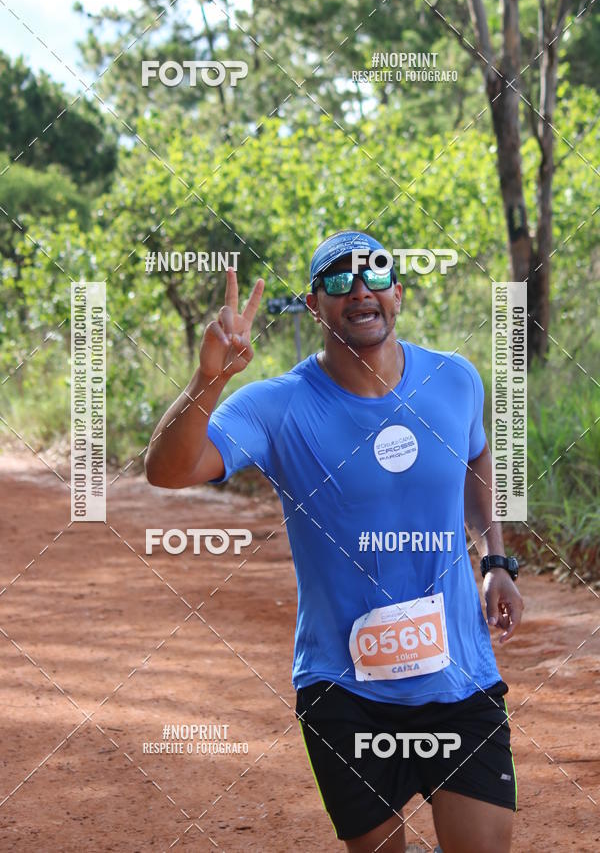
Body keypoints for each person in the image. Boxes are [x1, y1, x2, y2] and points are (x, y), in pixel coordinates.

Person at [145, 230, 524, 853]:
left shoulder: (456, 381)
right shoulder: (278, 406)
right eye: (338, 280)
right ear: (314, 304)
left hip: (460, 682)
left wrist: (497, 560)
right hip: (346, 692)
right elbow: (167, 471)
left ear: (397, 292)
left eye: (375, 276)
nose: (360, 290)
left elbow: (477, 462)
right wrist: (207, 379)